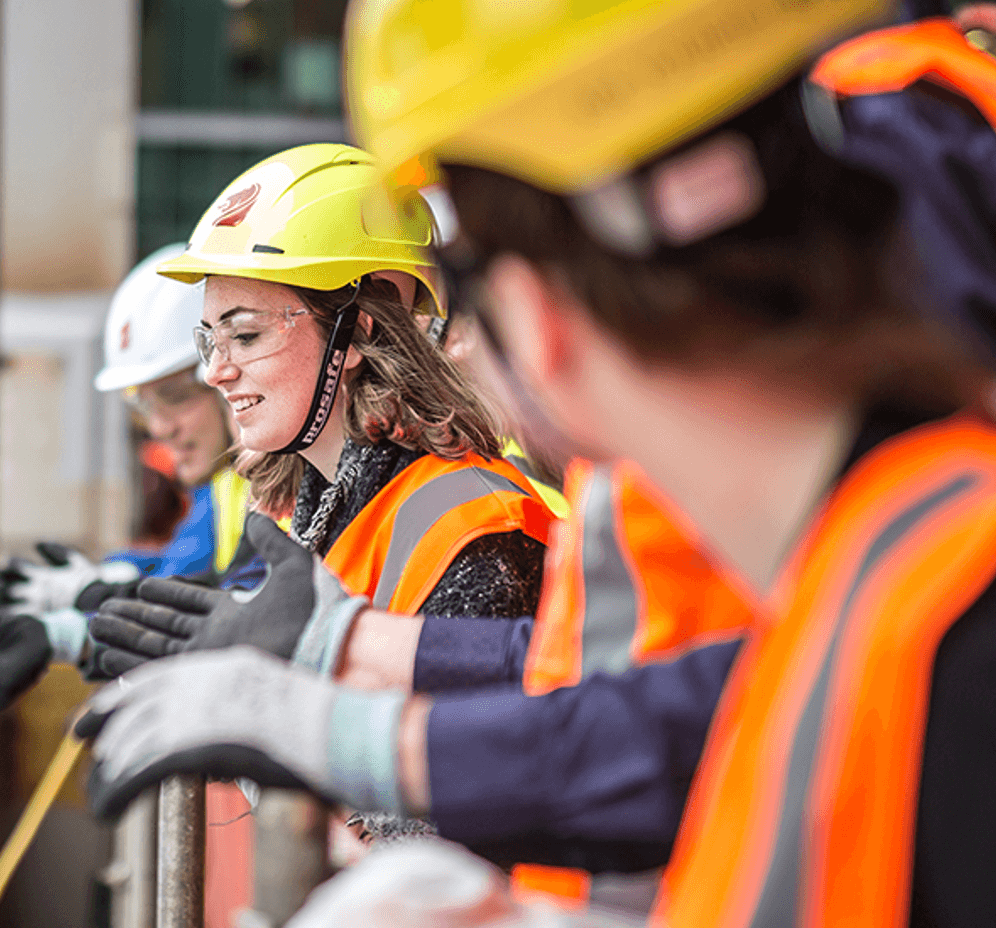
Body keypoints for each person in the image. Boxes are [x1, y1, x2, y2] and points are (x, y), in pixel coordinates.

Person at [77, 1, 996, 926]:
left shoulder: (920, 614)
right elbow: (728, 721)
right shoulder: (900, 574)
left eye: (458, 300)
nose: (453, 348)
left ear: (535, 317)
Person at [92, 143, 560, 684]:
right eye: (210, 341)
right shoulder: (312, 505)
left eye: (245, 335)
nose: (216, 372)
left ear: (360, 331)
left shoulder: (475, 528)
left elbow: (464, 754)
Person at [0, 244, 250, 724]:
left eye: (178, 397)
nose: (160, 429)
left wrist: (77, 624)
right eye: (143, 405)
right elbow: (184, 575)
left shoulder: (267, 487)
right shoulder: (224, 489)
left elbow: (227, 612)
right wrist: (104, 580)